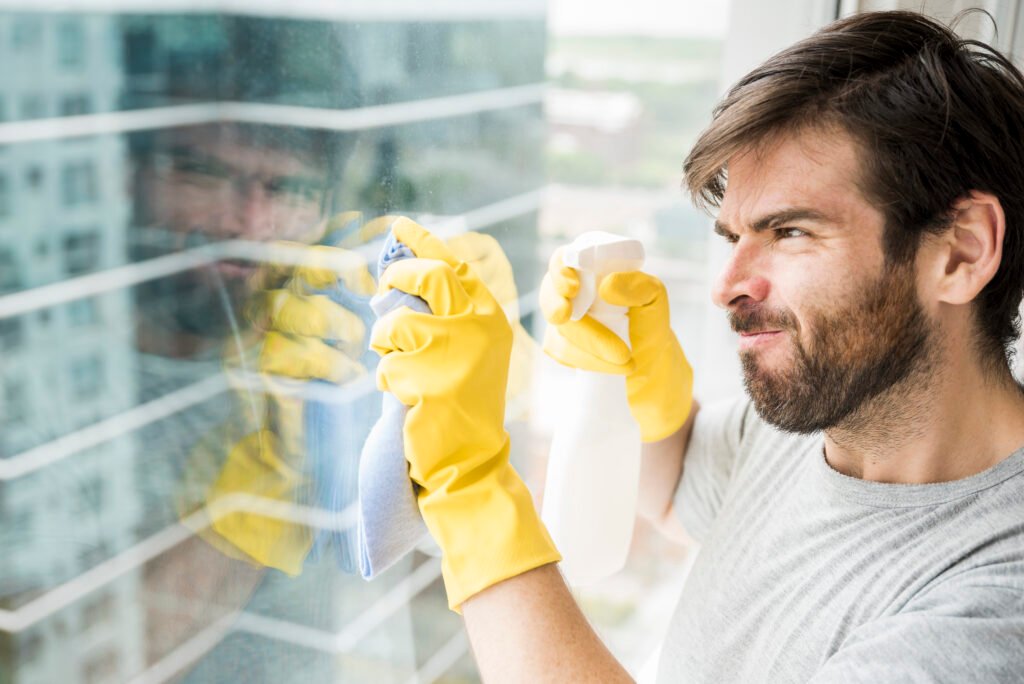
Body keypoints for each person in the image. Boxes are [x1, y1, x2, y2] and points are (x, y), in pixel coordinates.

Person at [369, 11, 1024, 682]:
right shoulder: (835, 409)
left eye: (791, 231)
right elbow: (680, 491)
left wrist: (472, 485)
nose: (727, 285)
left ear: (960, 250)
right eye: (733, 237)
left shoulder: (994, 613)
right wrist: (635, 382)